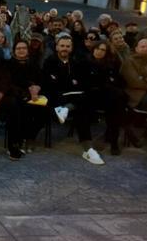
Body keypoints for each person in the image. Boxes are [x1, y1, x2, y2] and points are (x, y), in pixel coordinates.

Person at [42, 34, 102, 165]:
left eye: (68, 46)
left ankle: (88, 149)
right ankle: (88, 149)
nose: (65, 48)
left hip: (74, 98)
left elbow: (82, 83)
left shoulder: (77, 63)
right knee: (83, 103)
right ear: (57, 47)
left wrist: (71, 84)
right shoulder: (49, 62)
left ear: (72, 48)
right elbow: (50, 85)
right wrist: (69, 84)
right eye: (62, 46)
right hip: (56, 99)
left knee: (84, 106)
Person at [85, 39, 127, 155]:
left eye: (103, 50)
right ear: (93, 49)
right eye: (97, 49)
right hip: (91, 97)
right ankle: (122, 132)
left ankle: (113, 140)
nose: (99, 52)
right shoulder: (85, 62)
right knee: (116, 98)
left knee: (115, 103)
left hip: (109, 98)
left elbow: (121, 81)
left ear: (106, 52)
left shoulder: (110, 65)